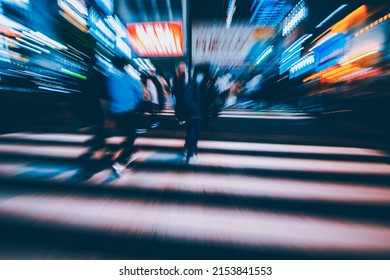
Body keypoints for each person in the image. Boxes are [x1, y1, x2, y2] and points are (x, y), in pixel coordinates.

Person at [105, 57, 144, 176]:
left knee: (129, 135)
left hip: (116, 112)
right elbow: (140, 94)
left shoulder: (110, 78)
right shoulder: (130, 78)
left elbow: (108, 95)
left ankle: (130, 152)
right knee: (131, 136)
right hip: (129, 112)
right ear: (125, 65)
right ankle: (120, 162)